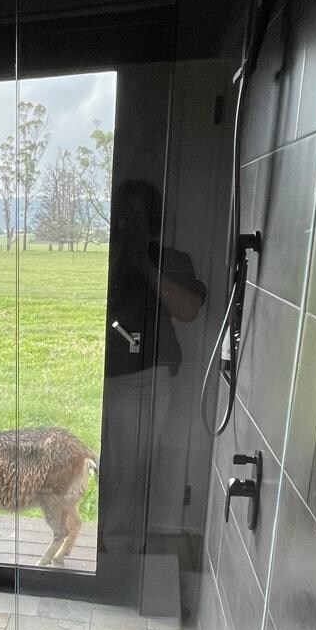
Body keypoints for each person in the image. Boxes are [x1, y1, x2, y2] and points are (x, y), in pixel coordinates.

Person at [101, 179, 206, 558]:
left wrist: (144, 263)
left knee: (131, 465)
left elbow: (189, 309)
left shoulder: (171, 260)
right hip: (95, 377)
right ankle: (93, 540)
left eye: (136, 216)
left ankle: (120, 548)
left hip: (144, 378)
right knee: (90, 463)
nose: (125, 224)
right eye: (120, 216)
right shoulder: (97, 256)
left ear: (154, 222)